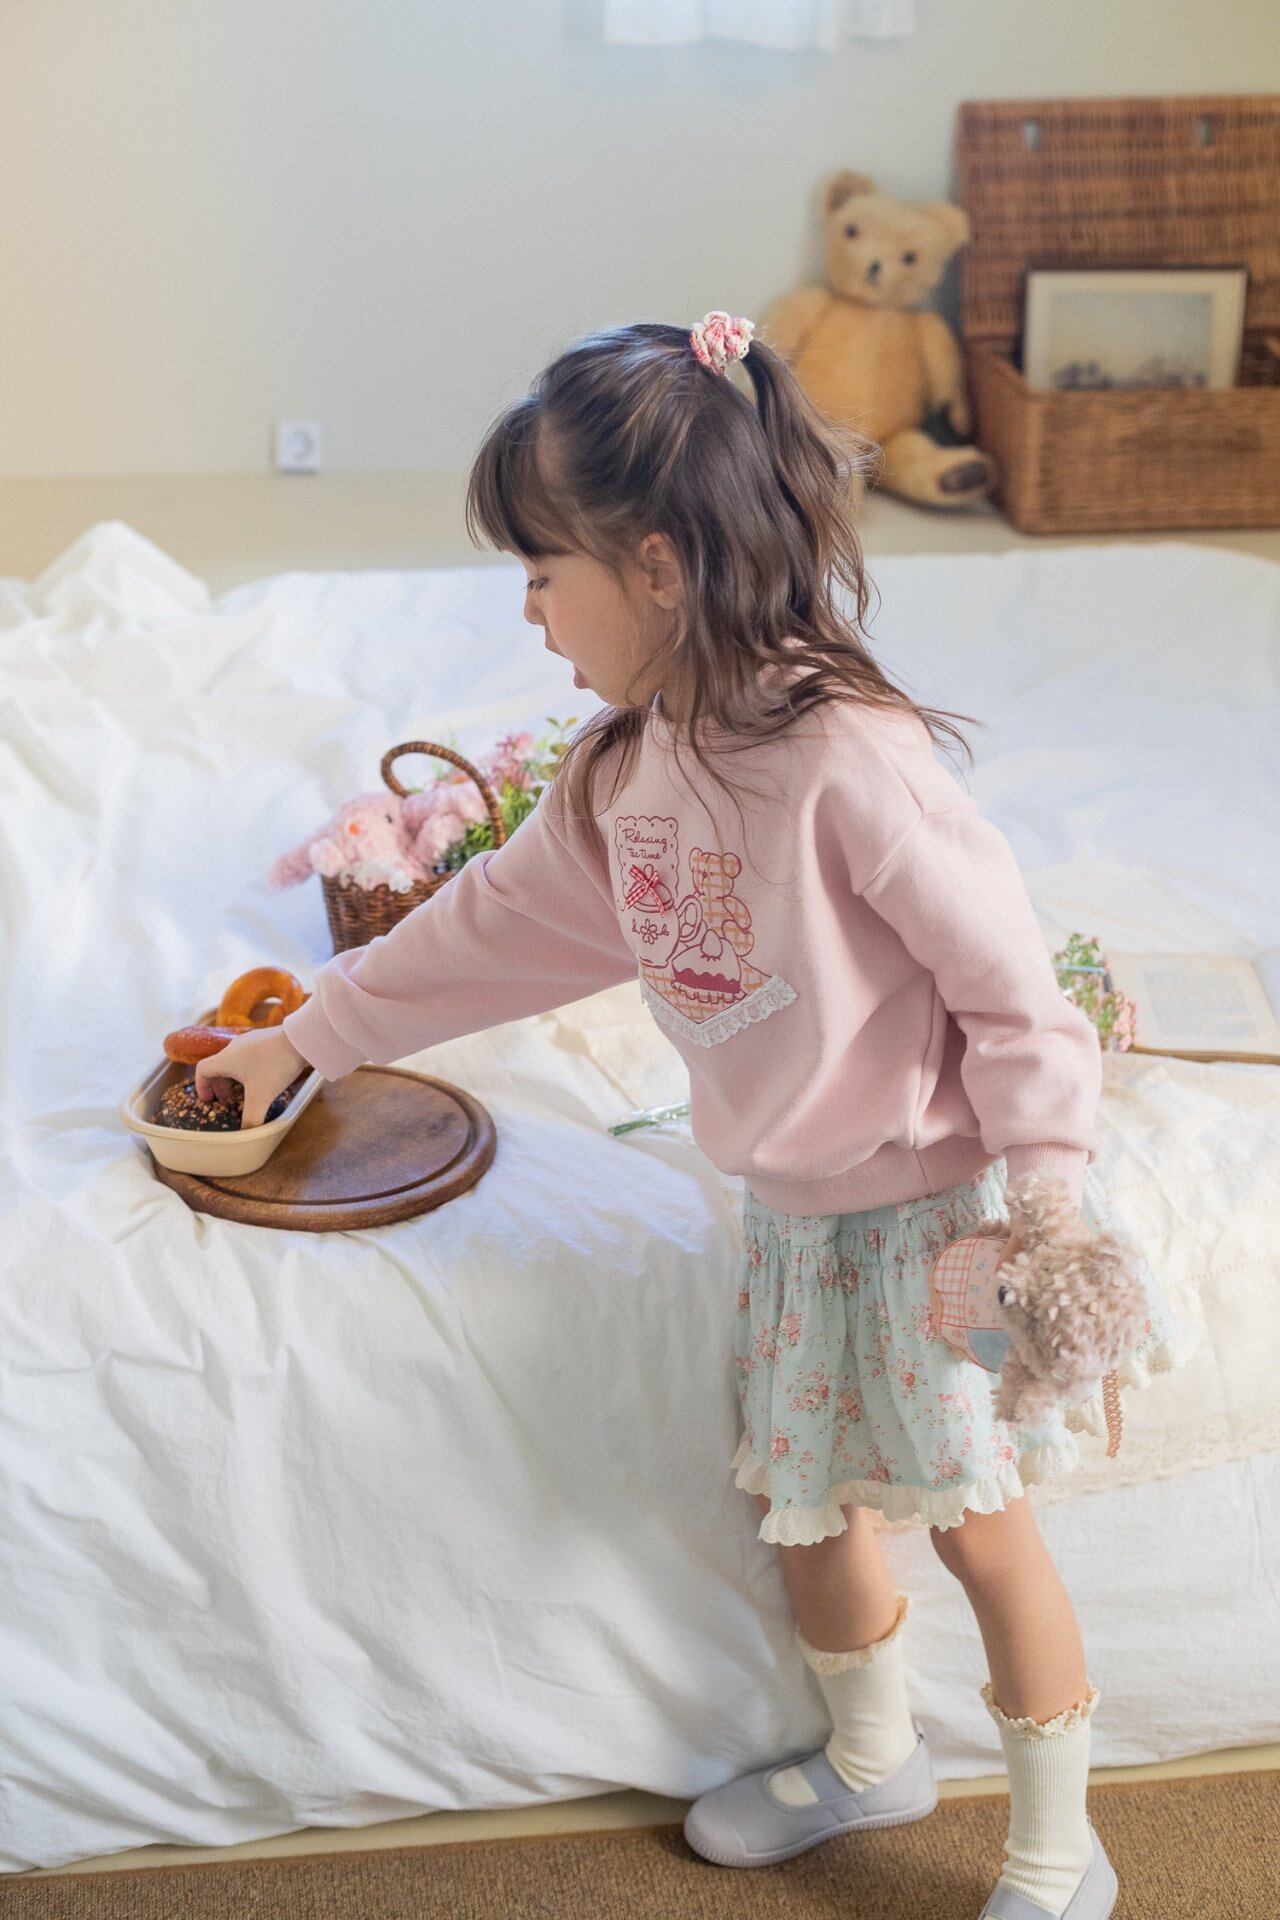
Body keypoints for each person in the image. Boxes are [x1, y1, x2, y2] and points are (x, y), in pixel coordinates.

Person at [198, 310, 1195, 1920]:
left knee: (983, 1531)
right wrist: (304, 1040)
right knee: (805, 1513)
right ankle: (872, 1758)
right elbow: (486, 929)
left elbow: (1016, 993)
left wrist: (1047, 1194)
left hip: (941, 1217)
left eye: (544, 573)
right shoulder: (624, 772)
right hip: (793, 1219)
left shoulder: (848, 762)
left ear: (656, 567)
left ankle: (1055, 1850)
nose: (529, 612)